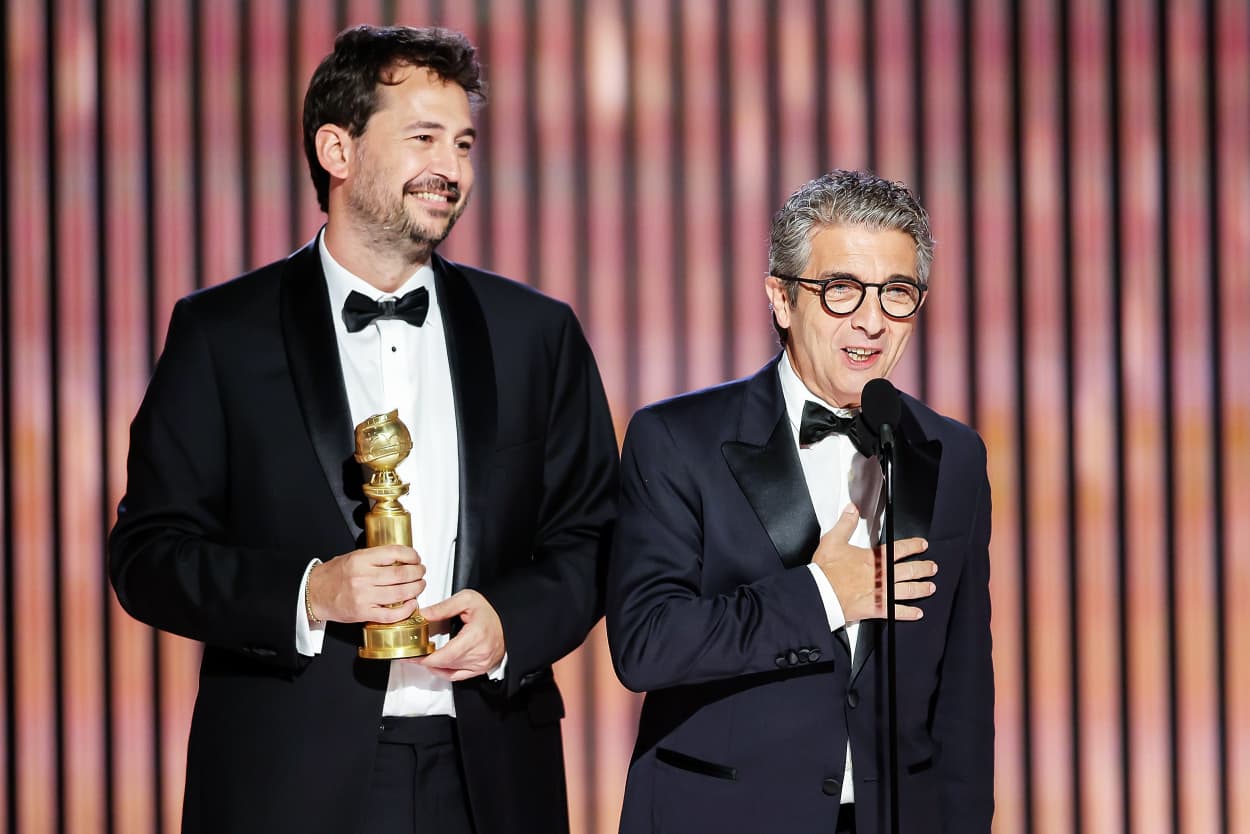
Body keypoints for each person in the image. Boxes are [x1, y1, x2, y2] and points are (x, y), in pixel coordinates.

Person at [109, 25, 618, 834]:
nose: (450, 168)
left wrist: (512, 620)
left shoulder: (537, 333)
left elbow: (594, 534)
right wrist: (313, 593)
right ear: (337, 151)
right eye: (422, 138)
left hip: (491, 773)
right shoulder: (221, 334)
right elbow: (147, 556)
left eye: (463, 143)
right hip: (285, 778)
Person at [607, 170, 993, 834]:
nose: (872, 320)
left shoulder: (952, 455)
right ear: (782, 300)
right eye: (841, 290)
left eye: (897, 294)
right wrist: (821, 595)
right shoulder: (677, 440)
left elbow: (962, 697)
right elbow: (646, 644)